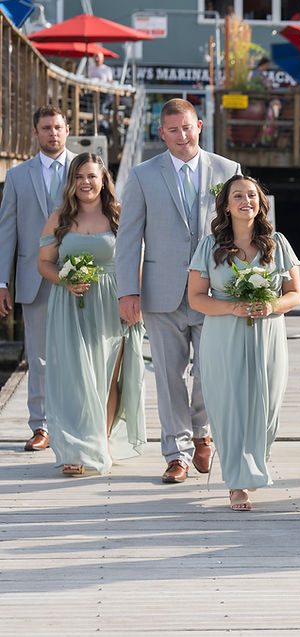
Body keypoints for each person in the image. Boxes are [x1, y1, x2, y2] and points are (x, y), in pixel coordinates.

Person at [117, 98, 241, 484]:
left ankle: (202, 432)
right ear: (162, 133)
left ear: (199, 125)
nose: (181, 136)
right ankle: (177, 453)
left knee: (210, 372)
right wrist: (127, 291)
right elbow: (128, 237)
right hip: (160, 291)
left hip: (215, 291)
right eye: (173, 129)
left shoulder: (228, 170)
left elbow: (242, 229)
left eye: (187, 127)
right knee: (169, 377)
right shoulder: (142, 175)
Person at [188, 175, 300, 511]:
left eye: (252, 195)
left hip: (268, 335)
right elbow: (196, 298)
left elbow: (294, 294)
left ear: (260, 203)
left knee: (266, 409)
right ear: (226, 205)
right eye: (238, 196)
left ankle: (255, 463)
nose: (246, 201)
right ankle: (237, 482)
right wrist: (233, 307)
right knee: (229, 407)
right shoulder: (209, 246)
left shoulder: (277, 244)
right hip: (224, 336)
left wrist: (272, 305)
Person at [37, 153, 145, 476]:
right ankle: (74, 448)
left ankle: (101, 442)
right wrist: (65, 280)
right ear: (72, 182)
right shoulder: (59, 218)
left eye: (92, 176)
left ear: (103, 180)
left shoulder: (119, 215)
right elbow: (43, 263)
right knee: (74, 378)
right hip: (69, 305)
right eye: (80, 176)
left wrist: (134, 298)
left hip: (111, 301)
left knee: (107, 375)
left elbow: (135, 259)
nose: (86, 182)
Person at [0, 105, 76, 452]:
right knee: (39, 355)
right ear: (35, 133)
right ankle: (41, 426)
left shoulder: (84, 169)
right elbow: (7, 233)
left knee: (78, 354)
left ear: (68, 129)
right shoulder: (17, 176)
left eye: (58, 127)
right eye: (46, 128)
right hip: (34, 279)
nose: (52, 133)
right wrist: (2, 281)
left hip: (79, 275)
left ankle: (76, 421)